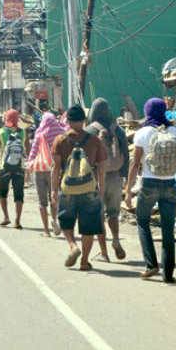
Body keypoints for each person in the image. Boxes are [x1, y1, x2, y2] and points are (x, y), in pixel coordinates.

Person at [125, 98, 176, 283]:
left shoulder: (142, 133)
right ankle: (168, 274)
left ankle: (151, 265)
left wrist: (128, 190)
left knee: (143, 221)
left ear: (147, 112)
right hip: (171, 184)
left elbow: (135, 163)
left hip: (149, 183)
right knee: (168, 228)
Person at [51, 104, 107, 271]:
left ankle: (72, 245)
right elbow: (102, 164)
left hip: (67, 188)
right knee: (89, 225)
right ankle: (84, 261)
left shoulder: (60, 140)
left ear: (67, 121)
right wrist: (101, 184)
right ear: (84, 120)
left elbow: (55, 169)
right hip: (89, 188)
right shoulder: (94, 140)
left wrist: (53, 190)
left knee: (66, 220)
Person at [85, 98, 129, 262]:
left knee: (99, 216)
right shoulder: (118, 130)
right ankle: (116, 240)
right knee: (113, 214)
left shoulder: (89, 131)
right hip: (116, 177)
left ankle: (104, 253)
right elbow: (126, 154)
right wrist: (124, 176)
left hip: (97, 179)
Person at [27, 112, 66, 237]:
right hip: (54, 170)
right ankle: (54, 220)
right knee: (54, 197)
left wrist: (28, 169)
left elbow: (33, 152)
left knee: (42, 200)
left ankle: (46, 230)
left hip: (40, 170)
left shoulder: (39, 133)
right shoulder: (60, 133)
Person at [0, 109, 30, 229]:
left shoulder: (0, 132)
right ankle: (17, 221)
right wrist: (29, 166)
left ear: (6, 118)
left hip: (5, 167)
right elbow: (29, 150)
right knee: (19, 195)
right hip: (19, 167)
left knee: (2, 193)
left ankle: (6, 217)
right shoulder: (23, 132)